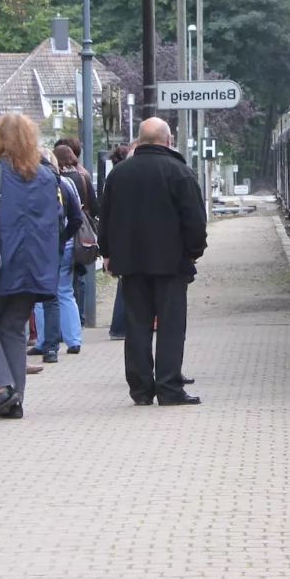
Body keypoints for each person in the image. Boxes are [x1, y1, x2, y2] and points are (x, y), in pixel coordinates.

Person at [0, 113, 76, 419]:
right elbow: (63, 220)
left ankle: (1, 389)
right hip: (34, 265)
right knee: (13, 328)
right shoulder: (47, 176)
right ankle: (15, 400)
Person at [99, 118, 208, 406]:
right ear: (168, 140)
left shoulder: (119, 173)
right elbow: (195, 220)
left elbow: (105, 217)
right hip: (171, 264)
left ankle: (141, 390)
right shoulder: (179, 172)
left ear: (140, 139)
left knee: (137, 326)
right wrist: (194, 251)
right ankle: (170, 388)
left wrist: (107, 253)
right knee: (171, 327)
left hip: (131, 264)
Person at [30, 148, 85, 363]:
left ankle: (44, 341)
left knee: (41, 296)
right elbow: (77, 217)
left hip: (46, 246)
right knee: (64, 291)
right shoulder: (67, 183)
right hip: (65, 245)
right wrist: (65, 238)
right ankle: (73, 339)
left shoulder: (35, 181)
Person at [106, 140, 134, 341]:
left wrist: (107, 250)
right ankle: (122, 327)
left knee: (125, 286)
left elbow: (106, 214)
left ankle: (118, 327)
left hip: (122, 243)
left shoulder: (115, 177)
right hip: (132, 243)